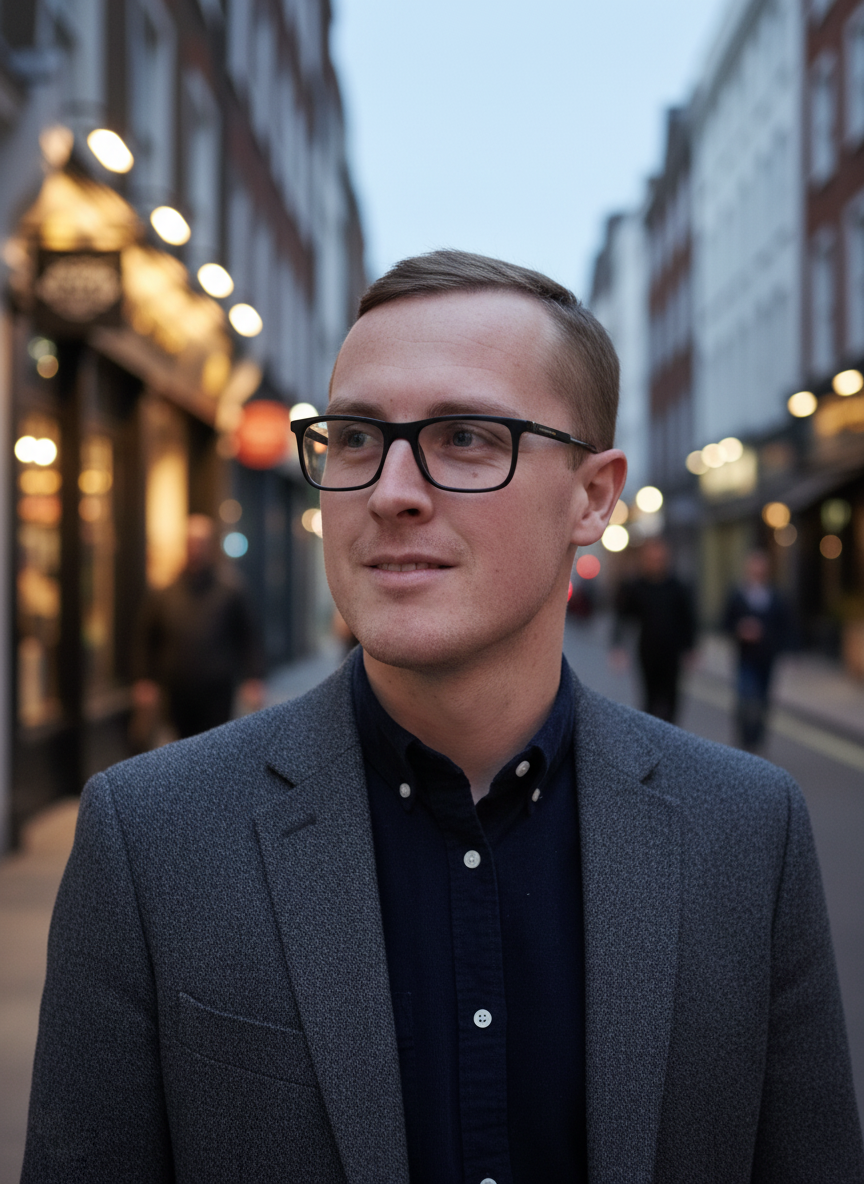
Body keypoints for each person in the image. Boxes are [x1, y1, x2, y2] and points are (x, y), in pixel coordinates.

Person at [23, 252, 863, 1183]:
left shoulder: (748, 833)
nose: (390, 492)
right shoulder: (150, 839)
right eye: (353, 438)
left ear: (592, 496)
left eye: (465, 437)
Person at [131, 513, 264, 741]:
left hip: (217, 689)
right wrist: (145, 679)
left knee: (214, 746)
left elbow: (247, 636)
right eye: (191, 542)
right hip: (176, 689)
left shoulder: (230, 590)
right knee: (181, 747)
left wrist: (253, 678)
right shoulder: (165, 592)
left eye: (201, 542)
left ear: (210, 545)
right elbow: (147, 638)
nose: (196, 548)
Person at [612, 536, 696, 723]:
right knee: (649, 697)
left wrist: (691, 648)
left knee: (672, 697)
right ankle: (651, 738)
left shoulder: (677, 587)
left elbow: (688, 619)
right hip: (647, 650)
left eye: (659, 558)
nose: (656, 562)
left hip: (672, 651)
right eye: (651, 559)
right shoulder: (637, 587)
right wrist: (618, 647)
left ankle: (671, 738)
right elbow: (623, 617)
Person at [724, 548, 793, 752]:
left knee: (763, 701)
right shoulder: (737, 594)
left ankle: (757, 741)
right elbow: (726, 623)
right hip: (746, 656)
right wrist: (740, 630)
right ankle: (744, 739)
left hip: (767, 657)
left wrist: (787, 649)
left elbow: (786, 625)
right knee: (746, 698)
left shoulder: (776, 595)